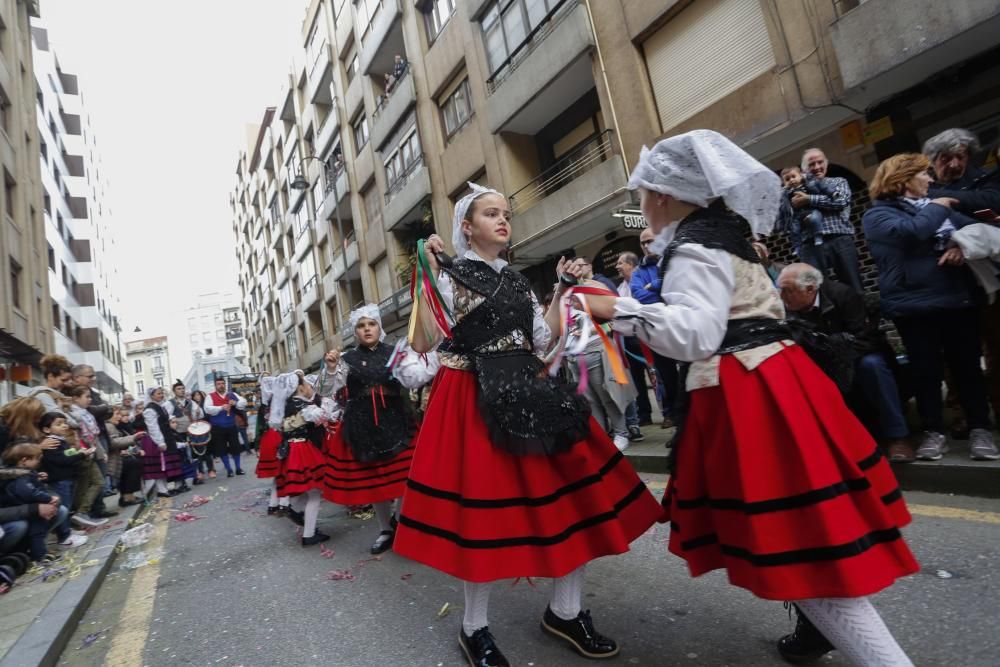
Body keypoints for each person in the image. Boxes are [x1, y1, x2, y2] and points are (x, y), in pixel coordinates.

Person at [587, 130, 917, 666]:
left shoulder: (693, 247)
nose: (641, 206)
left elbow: (695, 336)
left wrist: (615, 312)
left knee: (795, 535)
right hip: (780, 378)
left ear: (665, 195)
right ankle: (815, 632)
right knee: (806, 527)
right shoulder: (724, 236)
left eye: (644, 194)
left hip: (748, 392)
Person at [397, 182, 663, 666]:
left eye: (505, 213)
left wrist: (566, 291)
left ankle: (566, 610)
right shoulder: (449, 274)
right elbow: (422, 340)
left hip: (530, 388)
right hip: (474, 394)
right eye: (490, 214)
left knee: (575, 498)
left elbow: (543, 341)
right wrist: (426, 271)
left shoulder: (518, 281)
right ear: (466, 226)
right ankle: (473, 627)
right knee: (481, 517)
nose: (502, 220)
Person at [863, 152, 997, 461]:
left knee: (968, 369)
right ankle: (934, 432)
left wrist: (962, 246)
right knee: (926, 372)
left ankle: (980, 429)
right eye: (924, 174)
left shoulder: (938, 206)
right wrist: (939, 206)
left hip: (956, 299)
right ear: (904, 178)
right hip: (913, 307)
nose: (931, 180)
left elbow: (981, 232)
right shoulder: (877, 215)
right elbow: (911, 233)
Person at [778, 263, 914, 462]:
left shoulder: (842, 295)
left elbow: (867, 339)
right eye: (780, 290)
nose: (782, 296)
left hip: (855, 355)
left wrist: (835, 354)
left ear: (810, 289)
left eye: (787, 291)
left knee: (872, 365)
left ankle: (898, 436)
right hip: (822, 361)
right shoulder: (786, 311)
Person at [321, 305, 426, 555]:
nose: (367, 329)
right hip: (362, 423)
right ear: (355, 332)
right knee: (375, 481)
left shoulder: (396, 352)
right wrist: (331, 368)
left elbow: (413, 378)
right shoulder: (346, 359)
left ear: (380, 327)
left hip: (398, 418)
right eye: (361, 325)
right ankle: (385, 530)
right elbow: (326, 391)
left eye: (371, 324)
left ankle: (398, 520)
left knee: (406, 474)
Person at [924, 128, 1000, 429]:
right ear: (933, 161)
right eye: (946, 158)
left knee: (996, 348)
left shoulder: (985, 180)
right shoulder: (919, 191)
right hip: (946, 286)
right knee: (955, 357)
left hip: (987, 286)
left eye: (961, 156)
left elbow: (992, 203)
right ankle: (963, 415)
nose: (954, 164)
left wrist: (940, 199)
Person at [271, 372, 338, 546]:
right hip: (302, 450)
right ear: (300, 387)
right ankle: (308, 535)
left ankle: (294, 510)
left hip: (290, 450)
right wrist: (328, 405)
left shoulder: (285, 406)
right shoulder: (303, 405)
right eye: (307, 385)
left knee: (306, 489)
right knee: (315, 492)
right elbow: (324, 416)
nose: (310, 387)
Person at [790, 148, 864, 293]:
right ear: (804, 169)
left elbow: (841, 201)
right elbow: (789, 215)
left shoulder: (838, 182)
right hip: (810, 244)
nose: (817, 167)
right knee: (818, 290)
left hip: (840, 238)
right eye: (812, 164)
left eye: (820, 162)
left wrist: (809, 199)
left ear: (826, 163)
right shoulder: (793, 190)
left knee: (853, 285)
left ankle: (862, 315)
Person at [1, 443, 85, 563]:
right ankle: (39, 555)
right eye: (37, 459)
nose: (40, 462)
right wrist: (47, 499)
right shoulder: (21, 478)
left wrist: (37, 480)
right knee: (37, 533)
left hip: (31, 509)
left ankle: (38, 553)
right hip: (31, 511)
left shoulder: (24, 474)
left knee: (40, 531)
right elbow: (29, 492)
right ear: (24, 460)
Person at [631, 227, 680, 428]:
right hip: (657, 332)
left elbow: (675, 285)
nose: (646, 246)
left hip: (679, 325)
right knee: (666, 376)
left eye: (649, 240)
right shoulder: (638, 272)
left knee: (687, 371)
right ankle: (674, 415)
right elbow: (638, 296)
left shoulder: (672, 260)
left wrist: (653, 285)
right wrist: (661, 288)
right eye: (642, 242)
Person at [38, 412, 105, 528]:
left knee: (68, 505)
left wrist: (78, 453)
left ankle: (69, 530)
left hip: (66, 478)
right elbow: (62, 460)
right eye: (59, 424)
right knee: (65, 506)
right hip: (59, 480)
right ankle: (65, 533)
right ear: (46, 429)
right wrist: (80, 455)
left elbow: (65, 456)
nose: (64, 426)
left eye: (64, 423)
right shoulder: (52, 442)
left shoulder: (60, 440)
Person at [614, 251, 650, 439]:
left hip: (645, 335)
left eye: (621, 263)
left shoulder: (642, 280)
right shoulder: (620, 288)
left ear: (631, 265)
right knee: (636, 379)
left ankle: (668, 414)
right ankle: (645, 414)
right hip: (628, 339)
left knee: (654, 375)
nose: (617, 266)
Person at [66, 386, 117, 519]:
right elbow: (82, 436)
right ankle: (83, 512)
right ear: (76, 398)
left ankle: (88, 511)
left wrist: (101, 453)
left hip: (92, 451)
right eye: (86, 397)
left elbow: (94, 437)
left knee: (98, 482)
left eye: (90, 396)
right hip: (83, 453)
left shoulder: (87, 413)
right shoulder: (73, 414)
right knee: (87, 484)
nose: (90, 400)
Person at [139, 387, 184, 498]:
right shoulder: (149, 409)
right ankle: (162, 490)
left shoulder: (160, 406)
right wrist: (160, 442)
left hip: (166, 436)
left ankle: (164, 489)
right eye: (158, 393)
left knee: (163, 465)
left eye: (162, 393)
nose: (161, 395)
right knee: (159, 465)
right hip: (156, 440)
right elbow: (152, 427)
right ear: (152, 396)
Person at [254, 378, 288, 516]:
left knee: (278, 474)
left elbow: (259, 426)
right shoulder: (277, 402)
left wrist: (257, 445)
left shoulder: (263, 404)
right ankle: (283, 504)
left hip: (267, 439)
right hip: (277, 438)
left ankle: (273, 504)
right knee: (283, 473)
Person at [204, 377, 247, 477]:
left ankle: (238, 468)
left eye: (222, 383)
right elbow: (207, 409)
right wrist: (220, 407)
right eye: (219, 384)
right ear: (215, 386)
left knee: (236, 447)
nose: (221, 385)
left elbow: (243, 402)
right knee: (222, 449)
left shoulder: (231, 394)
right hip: (217, 427)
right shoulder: (210, 396)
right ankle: (229, 470)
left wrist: (235, 403)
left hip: (231, 425)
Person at [105, 408, 143, 507]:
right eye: (117, 414)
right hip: (111, 459)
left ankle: (127, 496)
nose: (120, 417)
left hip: (116, 457)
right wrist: (134, 437)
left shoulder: (112, 426)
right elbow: (114, 443)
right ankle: (127, 497)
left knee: (131, 463)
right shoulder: (109, 426)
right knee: (133, 464)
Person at [168, 380, 201, 488]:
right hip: (178, 434)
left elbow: (199, 414)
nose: (181, 390)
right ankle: (182, 480)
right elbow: (165, 416)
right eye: (179, 389)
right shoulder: (170, 403)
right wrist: (173, 420)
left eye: (183, 388)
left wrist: (197, 413)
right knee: (181, 457)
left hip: (190, 431)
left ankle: (195, 477)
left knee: (193, 455)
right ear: (174, 391)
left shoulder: (190, 402)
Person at [189, 391, 215, 478]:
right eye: (195, 395)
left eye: (198, 394)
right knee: (198, 453)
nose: (197, 396)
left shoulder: (205, 405)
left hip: (205, 430)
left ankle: (211, 469)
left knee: (207, 451)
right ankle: (200, 471)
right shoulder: (190, 406)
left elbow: (208, 417)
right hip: (195, 432)